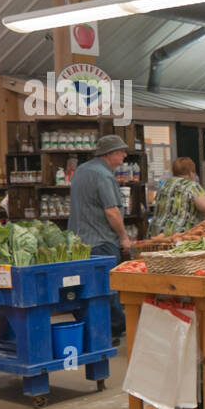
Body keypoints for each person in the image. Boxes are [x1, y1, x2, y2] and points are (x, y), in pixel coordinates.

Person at [70, 134, 132, 340]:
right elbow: (112, 211)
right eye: (121, 151)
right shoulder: (103, 175)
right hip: (101, 241)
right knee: (107, 289)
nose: (124, 155)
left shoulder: (81, 170)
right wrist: (124, 237)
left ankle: (92, 329)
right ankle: (113, 329)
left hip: (78, 242)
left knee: (86, 290)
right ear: (110, 153)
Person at [149, 157, 205, 238]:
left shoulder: (165, 185)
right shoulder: (191, 186)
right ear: (191, 172)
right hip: (178, 236)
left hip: (156, 234)